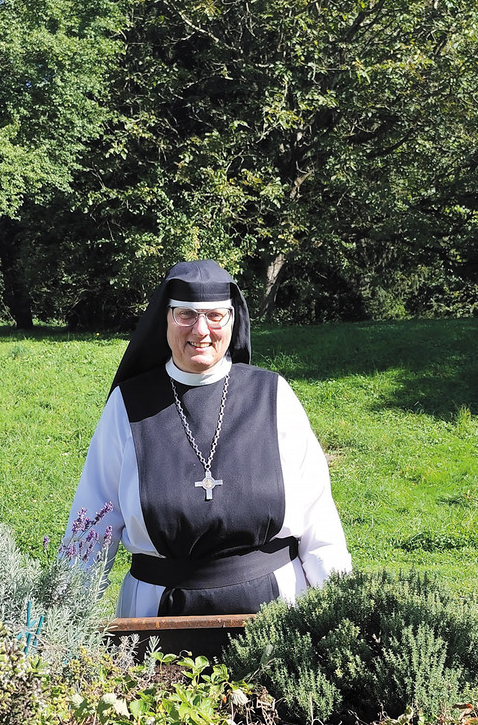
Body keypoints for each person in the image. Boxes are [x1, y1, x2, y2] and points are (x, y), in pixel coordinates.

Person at [66, 259, 352, 617]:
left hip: (276, 609)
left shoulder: (272, 395)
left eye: (215, 316)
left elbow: (319, 522)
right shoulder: (129, 405)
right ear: (165, 320)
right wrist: (63, 625)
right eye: (186, 314)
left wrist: (344, 611)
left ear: (232, 320)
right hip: (157, 611)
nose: (201, 330)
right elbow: (93, 520)